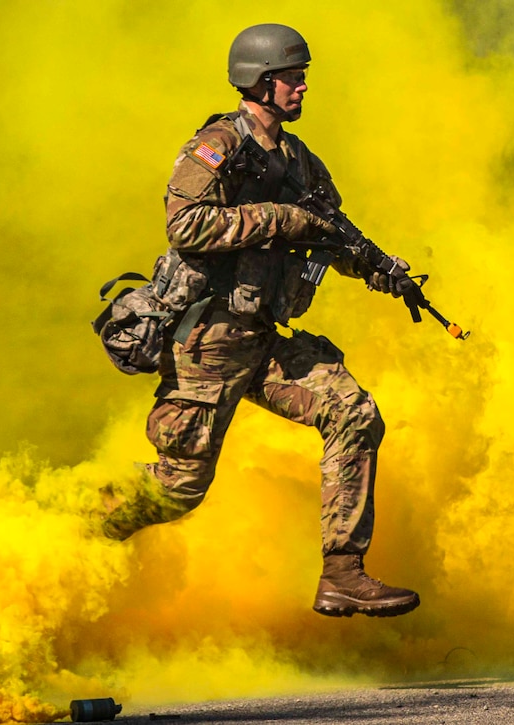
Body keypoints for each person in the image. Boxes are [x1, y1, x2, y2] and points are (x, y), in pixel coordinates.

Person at [101, 23, 420, 618]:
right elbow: (186, 226)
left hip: (264, 340)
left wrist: (381, 270)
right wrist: (277, 218)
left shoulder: (299, 159)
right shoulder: (218, 145)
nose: (302, 88)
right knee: (177, 491)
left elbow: (329, 229)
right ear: (260, 82)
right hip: (208, 340)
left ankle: (343, 573)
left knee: (354, 413)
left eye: (302, 77)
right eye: (292, 78)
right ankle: (78, 522)